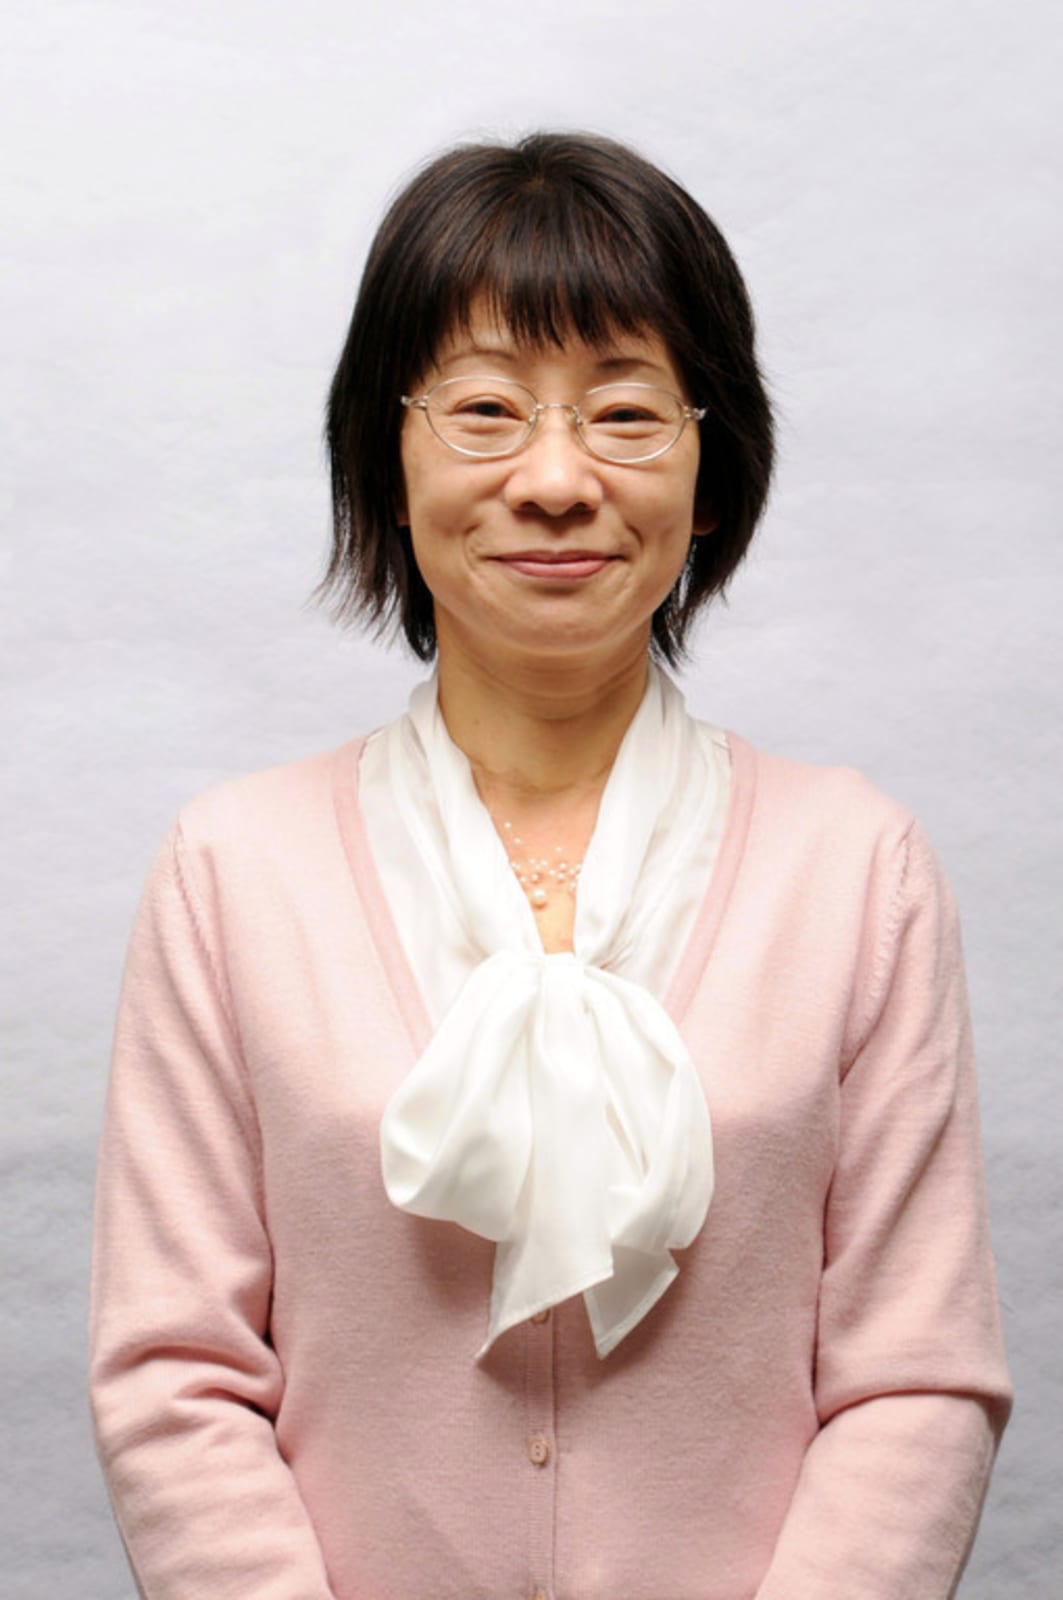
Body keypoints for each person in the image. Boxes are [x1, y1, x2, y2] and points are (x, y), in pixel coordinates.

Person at [89, 132, 1011, 1599]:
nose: (559, 478)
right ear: (386, 465)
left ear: (711, 474)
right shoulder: (232, 870)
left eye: (627, 411)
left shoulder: (857, 869)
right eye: (485, 410)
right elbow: (173, 1371)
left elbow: (915, 1376)